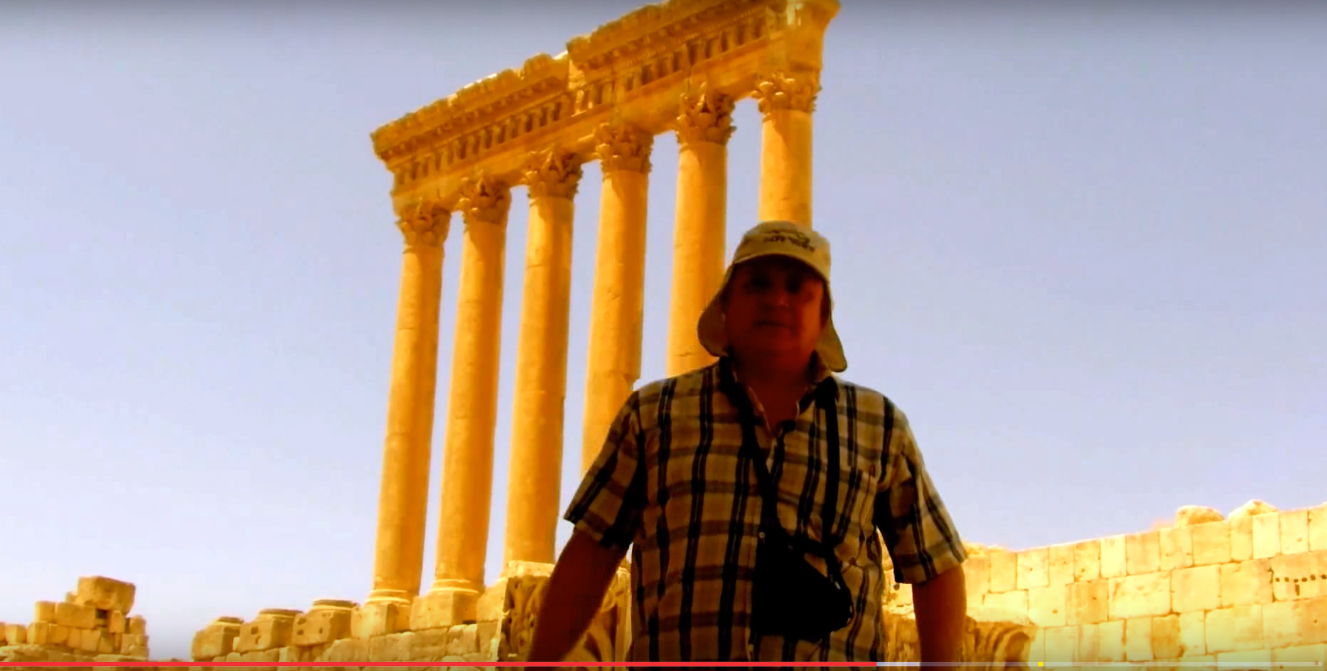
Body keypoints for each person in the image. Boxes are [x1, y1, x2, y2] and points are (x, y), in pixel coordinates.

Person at [525, 220, 969, 665]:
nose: (777, 300)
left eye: (798, 288)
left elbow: (934, 566)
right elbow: (590, 555)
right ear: (726, 306)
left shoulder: (879, 426)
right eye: (758, 284)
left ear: (823, 316)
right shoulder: (653, 414)